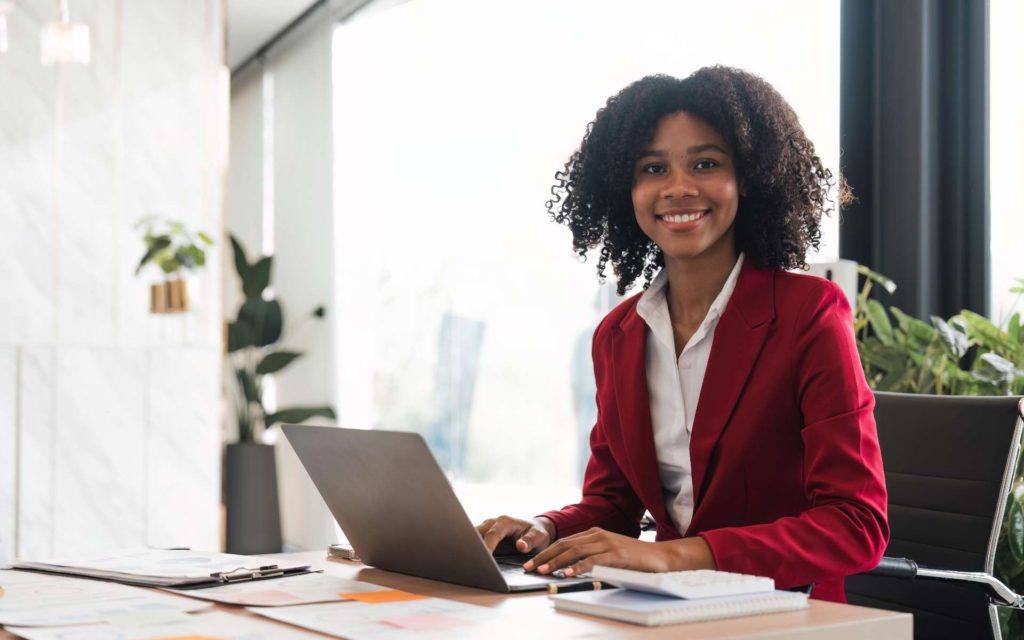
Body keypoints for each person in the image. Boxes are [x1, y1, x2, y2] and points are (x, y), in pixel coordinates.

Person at [476, 66, 888, 603]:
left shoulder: (808, 314)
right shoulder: (618, 335)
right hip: (659, 612)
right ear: (627, 188)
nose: (678, 187)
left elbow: (856, 525)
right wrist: (544, 528)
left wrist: (673, 555)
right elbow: (613, 506)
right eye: (653, 168)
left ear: (750, 177)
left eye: (706, 163)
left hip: (785, 611)